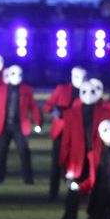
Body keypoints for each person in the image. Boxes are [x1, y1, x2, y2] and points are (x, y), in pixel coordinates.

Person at [60, 79, 110, 219]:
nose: (87, 95)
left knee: (105, 202)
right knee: (72, 204)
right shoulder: (71, 114)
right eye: (84, 92)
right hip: (76, 166)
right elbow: (66, 142)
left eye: (91, 92)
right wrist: (65, 166)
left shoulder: (105, 113)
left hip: (98, 164)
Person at [0, 65, 41, 186]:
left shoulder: (26, 89)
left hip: (19, 126)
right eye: (14, 74)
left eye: (19, 74)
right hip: (4, 126)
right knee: (0, 153)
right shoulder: (0, 89)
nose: (17, 77)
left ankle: (28, 178)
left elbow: (33, 107)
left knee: (24, 152)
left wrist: (37, 122)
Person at [43, 66, 87, 201]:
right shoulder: (62, 89)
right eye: (77, 77)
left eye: (83, 77)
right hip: (61, 133)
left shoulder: (88, 91)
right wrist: (58, 113)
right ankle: (53, 193)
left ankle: (79, 192)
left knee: (76, 165)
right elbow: (47, 106)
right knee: (56, 164)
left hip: (77, 135)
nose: (80, 80)